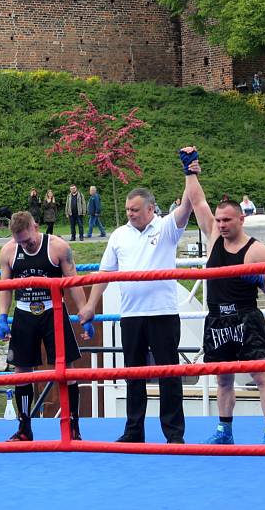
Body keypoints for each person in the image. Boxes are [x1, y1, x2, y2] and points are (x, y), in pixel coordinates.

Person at [78, 156, 197, 444]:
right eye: (128, 209)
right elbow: (104, 274)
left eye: (135, 209)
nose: (130, 213)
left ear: (150, 209)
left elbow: (186, 207)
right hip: (130, 314)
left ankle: (174, 434)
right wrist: (90, 305)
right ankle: (134, 432)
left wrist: (189, 172)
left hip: (163, 312)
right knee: (133, 375)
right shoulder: (119, 235)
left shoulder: (167, 227)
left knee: (168, 374)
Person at [179, 148, 265, 444]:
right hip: (217, 318)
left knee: (261, 375)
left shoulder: (256, 249)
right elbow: (197, 200)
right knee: (223, 379)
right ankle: (224, 430)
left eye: (227, 220)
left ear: (241, 220)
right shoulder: (213, 238)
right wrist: (189, 172)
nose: (222, 225)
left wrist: (259, 278)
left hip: (246, 316)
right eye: (219, 220)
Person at [0, 211, 93, 441]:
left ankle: (72, 426)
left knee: (66, 369)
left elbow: (73, 281)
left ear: (36, 227)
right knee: (21, 371)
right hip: (23, 311)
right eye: (20, 242)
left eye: (28, 240)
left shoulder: (58, 247)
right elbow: (5, 286)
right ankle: (24, 428)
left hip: (53, 311)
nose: (26, 245)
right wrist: (2, 316)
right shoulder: (9, 251)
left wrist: (84, 313)